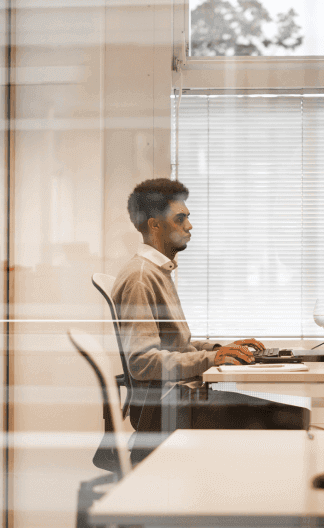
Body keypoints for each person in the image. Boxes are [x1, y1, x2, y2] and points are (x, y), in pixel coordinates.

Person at [112, 178, 307, 461]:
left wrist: (219, 350)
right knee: (293, 419)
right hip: (165, 409)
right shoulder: (141, 277)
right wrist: (211, 360)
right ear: (155, 225)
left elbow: (177, 345)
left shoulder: (157, 271)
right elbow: (142, 363)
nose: (189, 226)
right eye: (180, 219)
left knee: (293, 416)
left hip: (178, 399)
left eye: (188, 218)